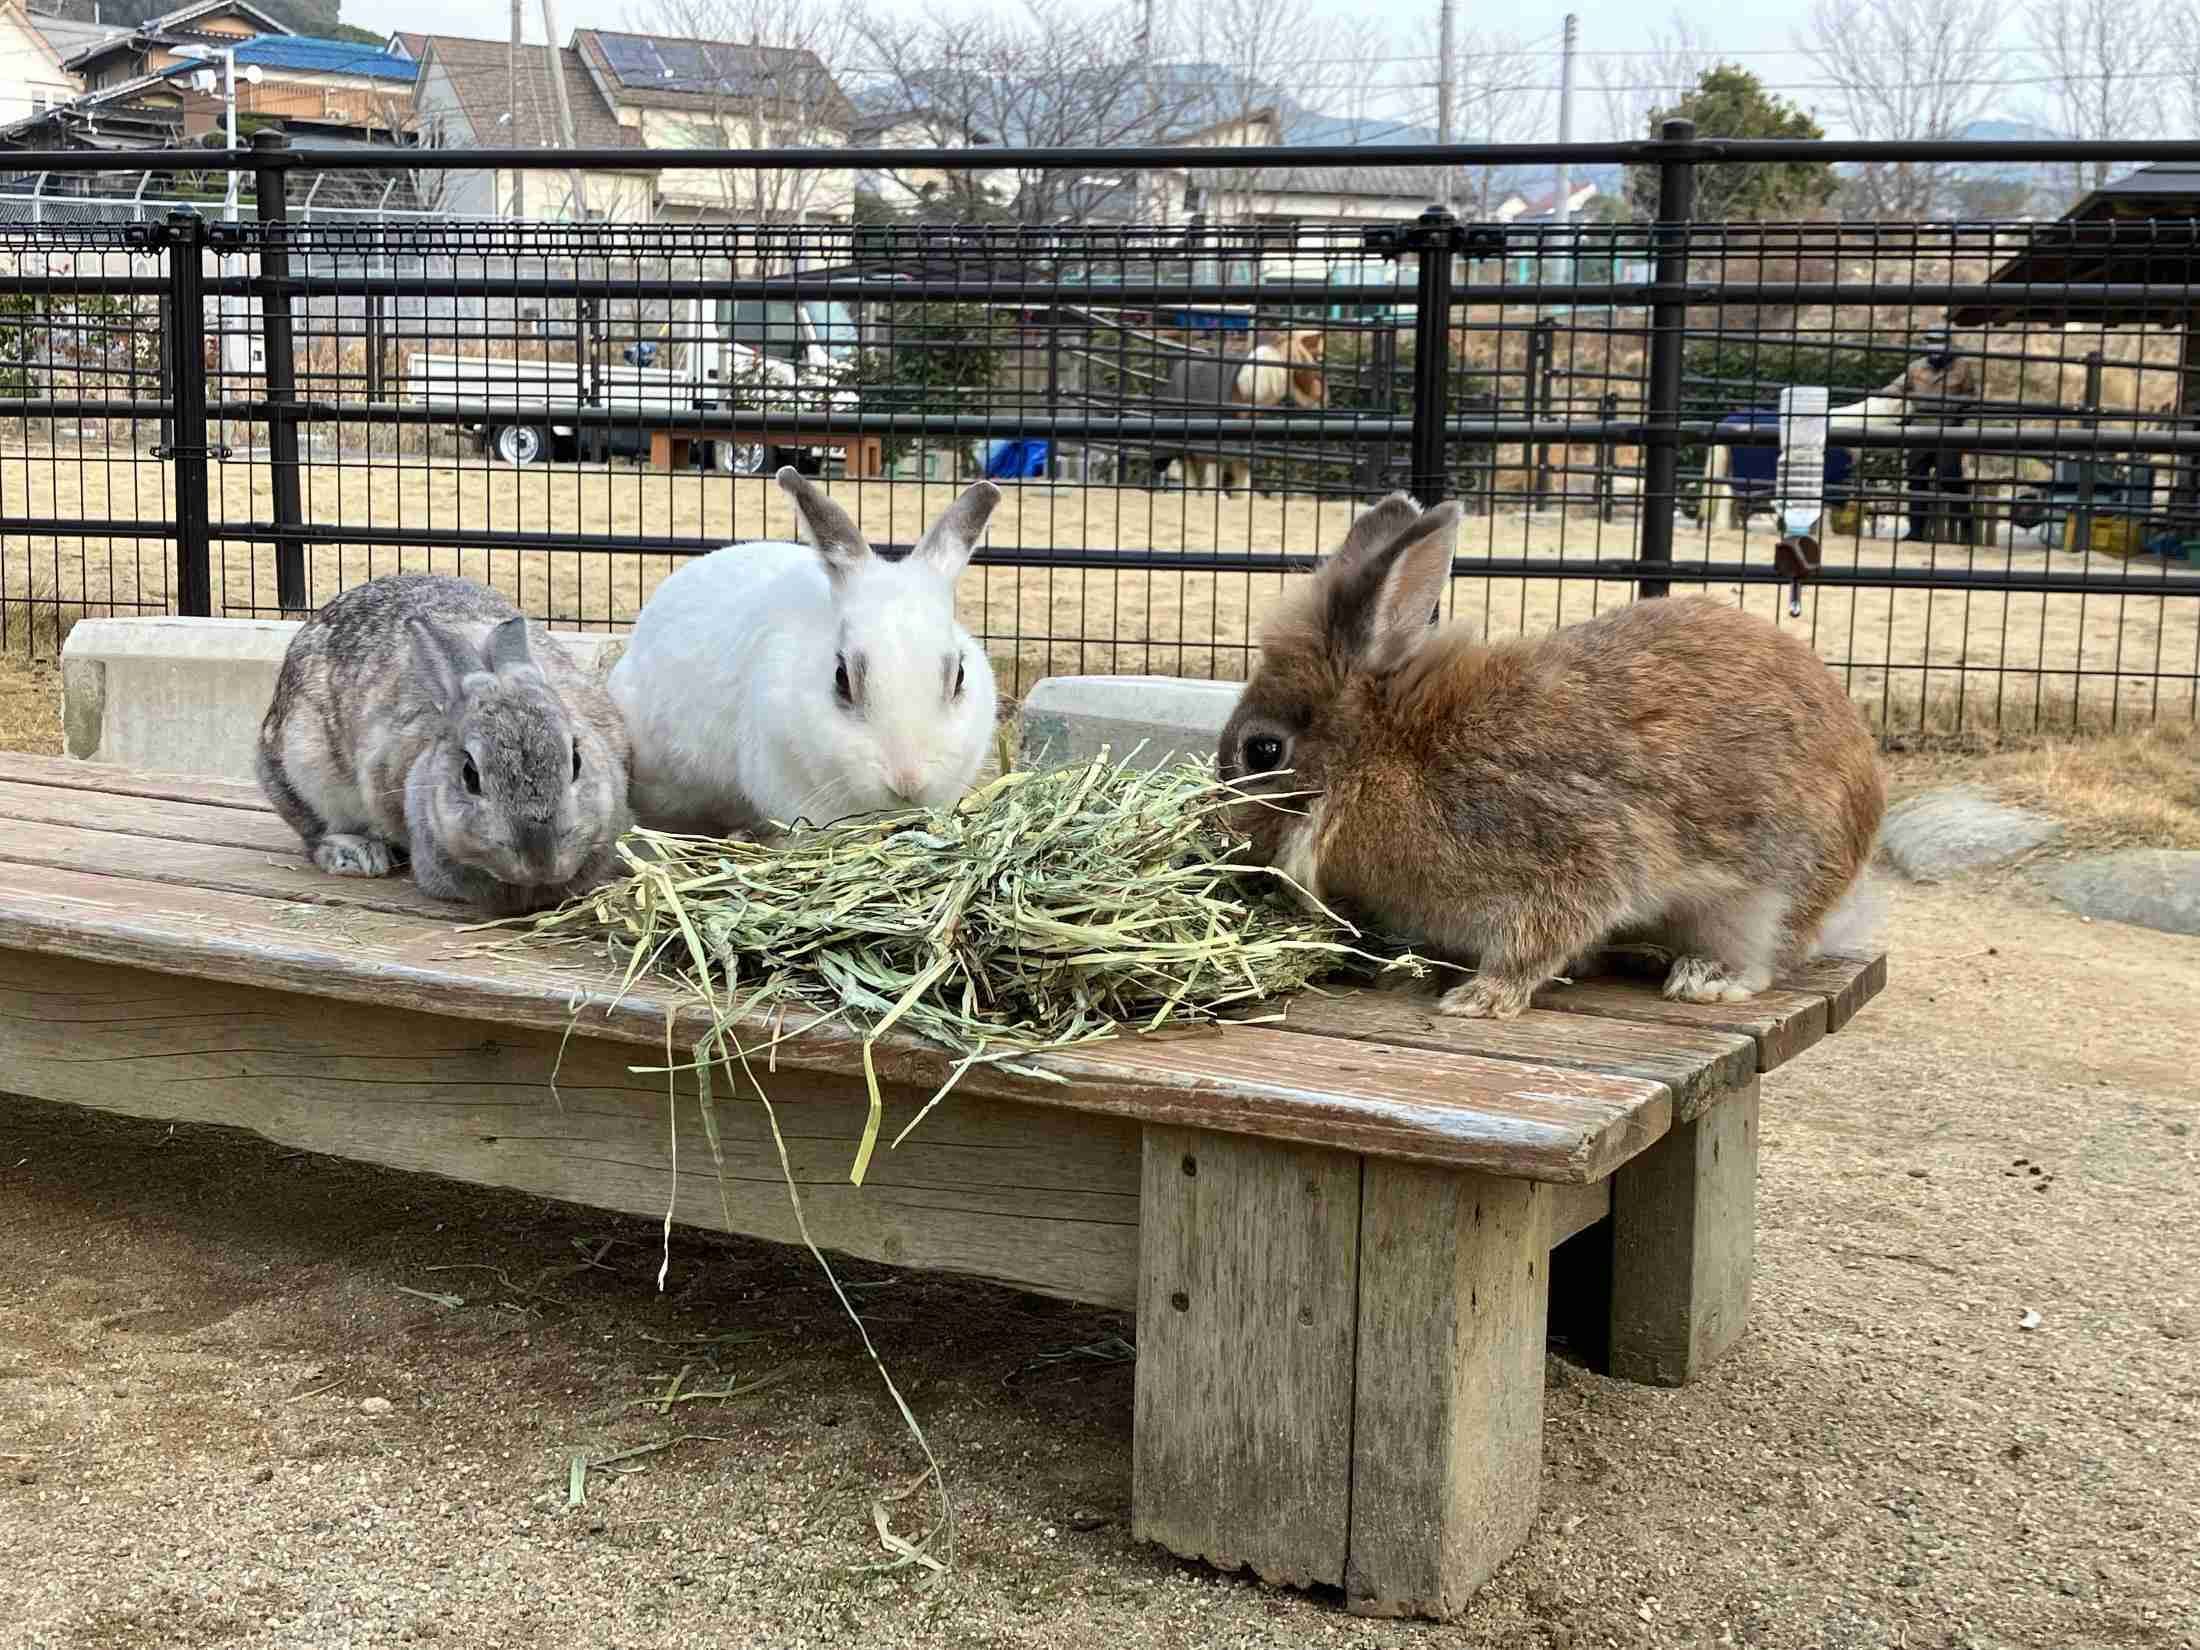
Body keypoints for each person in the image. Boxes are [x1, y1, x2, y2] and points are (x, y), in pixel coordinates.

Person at [1887, 342, 1981, 544]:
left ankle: (1966, 528)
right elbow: (1896, 387)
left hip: (1948, 432)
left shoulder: (1962, 368)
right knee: (1916, 480)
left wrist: (1956, 406)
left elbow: (1972, 396)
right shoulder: (1916, 367)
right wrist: (1880, 397)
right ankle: (1916, 532)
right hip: (1920, 432)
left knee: (1950, 478)